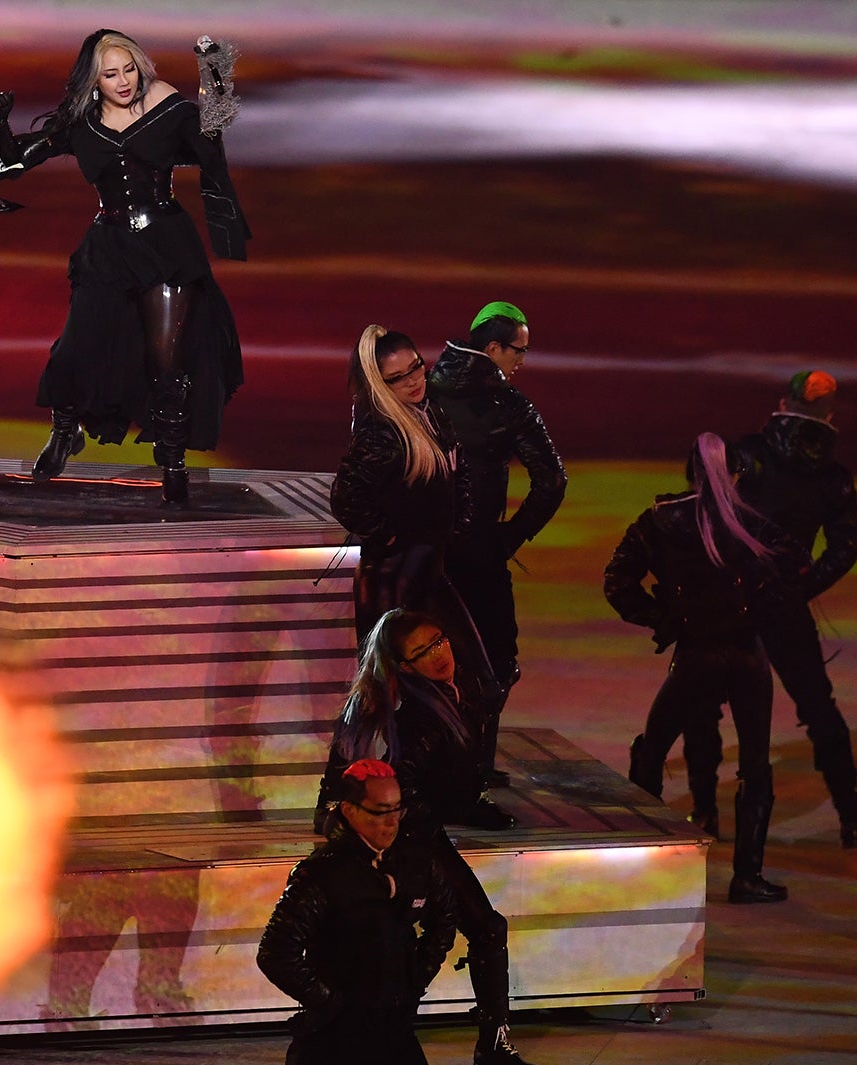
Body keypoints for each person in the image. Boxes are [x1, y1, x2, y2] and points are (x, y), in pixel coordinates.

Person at [0, 28, 250, 503]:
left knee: (167, 359)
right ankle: (65, 431)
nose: (123, 81)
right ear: (93, 80)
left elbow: (211, 138)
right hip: (108, 248)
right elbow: (18, 157)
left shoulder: (168, 106)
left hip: (166, 247)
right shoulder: (81, 123)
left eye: (129, 70)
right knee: (76, 350)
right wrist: (0, 122)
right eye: (110, 74)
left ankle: (174, 464)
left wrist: (214, 75)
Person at [314, 610, 533, 1065]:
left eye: (439, 641)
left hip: (412, 823)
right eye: (423, 652)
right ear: (404, 666)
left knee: (456, 931)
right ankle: (483, 1046)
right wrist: (421, 847)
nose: (440, 654)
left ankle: (485, 1043)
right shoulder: (413, 716)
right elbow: (401, 789)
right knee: (477, 927)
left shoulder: (446, 689)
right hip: (397, 831)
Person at [604, 432, 807, 904]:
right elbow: (798, 569)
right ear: (736, 474)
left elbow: (617, 581)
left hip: (696, 654)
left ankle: (645, 861)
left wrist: (664, 619)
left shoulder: (660, 520)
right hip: (747, 655)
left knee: (653, 749)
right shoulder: (753, 523)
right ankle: (747, 877)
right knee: (755, 765)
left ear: (689, 472)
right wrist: (761, 610)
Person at [330, 326, 499, 742]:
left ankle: (435, 771)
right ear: (380, 384)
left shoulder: (429, 412)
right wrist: (390, 538)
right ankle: (358, 773)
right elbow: (346, 499)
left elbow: (457, 472)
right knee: (383, 694)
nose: (413, 380)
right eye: (398, 377)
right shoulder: (381, 431)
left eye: (416, 367)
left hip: (426, 571)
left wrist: (455, 527)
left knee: (472, 681)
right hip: (394, 582)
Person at [729, 371, 857, 848]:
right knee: (819, 708)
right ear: (829, 416)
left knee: (697, 699)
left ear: (782, 403)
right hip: (785, 607)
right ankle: (851, 818)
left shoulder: (747, 453)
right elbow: (844, 548)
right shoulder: (834, 477)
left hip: (732, 599)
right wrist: (800, 588)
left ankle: (703, 811)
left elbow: (713, 516)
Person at [427, 301, 565, 787]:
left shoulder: (420, 391)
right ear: (492, 348)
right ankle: (474, 769)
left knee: (420, 656)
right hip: (479, 557)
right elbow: (552, 481)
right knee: (494, 662)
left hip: (419, 554)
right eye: (518, 350)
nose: (522, 360)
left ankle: (426, 763)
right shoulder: (509, 404)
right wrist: (510, 536)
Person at [258, 759, 457, 1065]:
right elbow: (276, 952)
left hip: (395, 1028)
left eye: (397, 810)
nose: (392, 822)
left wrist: (415, 981)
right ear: (350, 811)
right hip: (335, 1039)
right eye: (381, 812)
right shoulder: (321, 874)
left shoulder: (416, 862)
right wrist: (332, 1004)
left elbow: (445, 919)